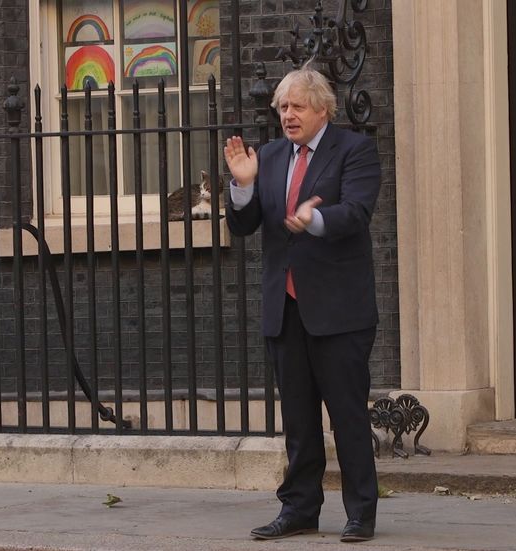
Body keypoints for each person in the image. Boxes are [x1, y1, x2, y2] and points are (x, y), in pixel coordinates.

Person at [224, 66, 381, 543]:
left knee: (348, 415)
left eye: (296, 107)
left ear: (322, 109)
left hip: (338, 310)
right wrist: (245, 185)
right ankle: (299, 509)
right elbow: (244, 225)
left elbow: (356, 212)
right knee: (297, 418)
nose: (287, 116)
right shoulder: (269, 156)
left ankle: (360, 513)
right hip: (285, 306)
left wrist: (314, 218)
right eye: (282, 108)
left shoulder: (354, 150)